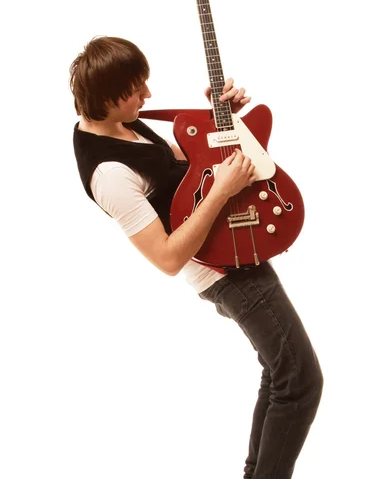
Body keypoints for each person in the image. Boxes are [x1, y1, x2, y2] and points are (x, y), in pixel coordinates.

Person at [70, 35, 323, 479]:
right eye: (136, 90)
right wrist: (224, 189)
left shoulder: (118, 124)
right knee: (301, 381)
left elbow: (185, 167)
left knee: (279, 370)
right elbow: (167, 258)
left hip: (232, 242)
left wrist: (221, 117)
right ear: (107, 99)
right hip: (220, 271)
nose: (148, 96)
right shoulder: (108, 174)